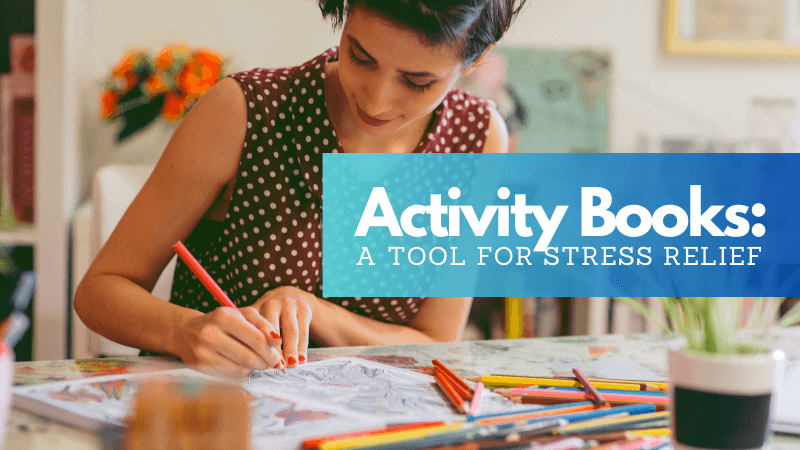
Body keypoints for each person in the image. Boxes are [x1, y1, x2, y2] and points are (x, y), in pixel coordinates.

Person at [75, 0, 527, 377]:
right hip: (214, 417)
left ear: (478, 59)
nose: (376, 99)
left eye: (417, 81)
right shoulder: (245, 110)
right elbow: (100, 292)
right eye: (361, 56)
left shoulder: (478, 136)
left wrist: (313, 309)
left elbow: (437, 341)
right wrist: (183, 330)